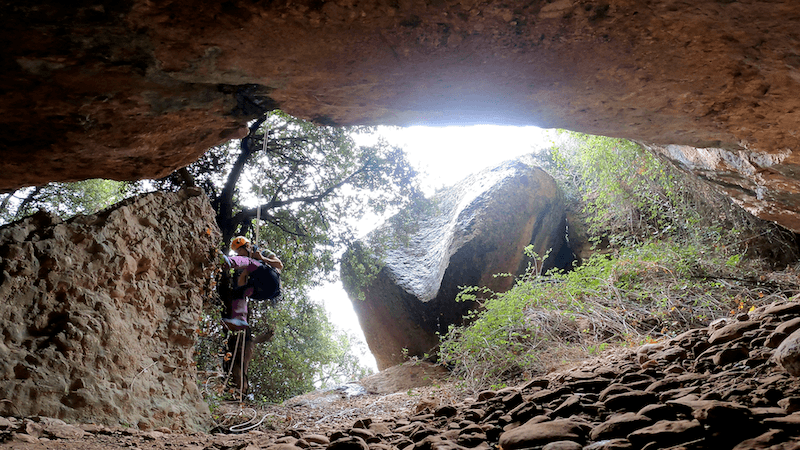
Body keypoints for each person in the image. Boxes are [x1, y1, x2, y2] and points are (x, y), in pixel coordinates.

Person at [221, 235, 284, 331]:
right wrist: (241, 289)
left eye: (240, 252)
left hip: (271, 280)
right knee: (238, 291)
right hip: (263, 291)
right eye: (237, 254)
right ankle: (240, 319)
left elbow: (279, 265)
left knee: (250, 263)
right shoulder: (246, 264)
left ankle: (228, 262)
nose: (239, 255)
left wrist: (262, 258)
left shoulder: (263, 252)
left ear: (247, 247)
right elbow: (242, 282)